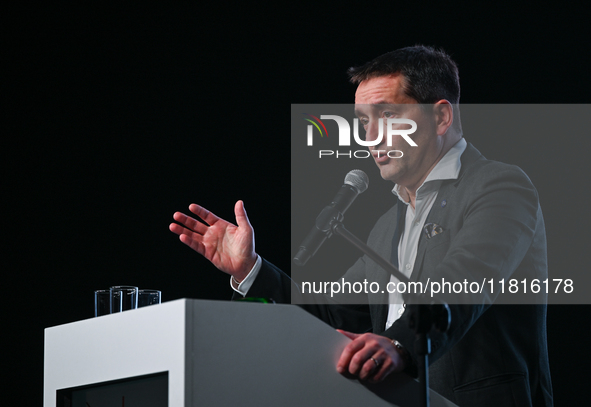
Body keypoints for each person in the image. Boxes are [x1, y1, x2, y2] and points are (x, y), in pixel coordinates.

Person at [169, 46, 552, 406]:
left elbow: (466, 278)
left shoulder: (500, 186)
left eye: (387, 116)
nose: (370, 138)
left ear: (441, 117)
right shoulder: (387, 226)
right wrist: (250, 270)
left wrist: (398, 346)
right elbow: (334, 318)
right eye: (363, 122)